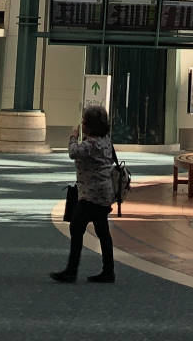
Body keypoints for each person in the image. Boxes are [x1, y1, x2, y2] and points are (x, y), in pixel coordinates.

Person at [52, 103, 118, 284]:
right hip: (104, 193)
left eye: (84, 121)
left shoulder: (91, 144)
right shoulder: (105, 141)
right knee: (102, 231)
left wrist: (73, 137)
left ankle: (71, 271)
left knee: (76, 227)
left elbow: (73, 153)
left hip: (91, 195)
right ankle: (108, 270)